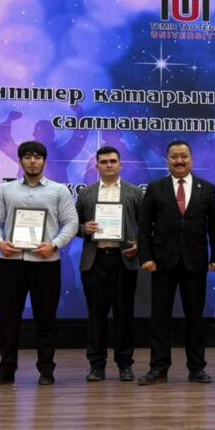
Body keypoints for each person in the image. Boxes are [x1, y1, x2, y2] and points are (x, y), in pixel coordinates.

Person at [0, 141, 78, 386]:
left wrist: (54, 245)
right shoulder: (6, 190)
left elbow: (71, 223)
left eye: (37, 157)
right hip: (11, 262)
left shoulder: (59, 191)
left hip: (46, 263)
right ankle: (6, 371)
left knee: (46, 319)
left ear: (45, 162)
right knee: (8, 320)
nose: (33, 161)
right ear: (20, 161)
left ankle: (46, 370)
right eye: (27, 157)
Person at [137, 140, 215, 385]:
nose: (179, 161)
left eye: (184, 156)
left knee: (195, 317)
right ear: (167, 160)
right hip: (162, 262)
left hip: (195, 262)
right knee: (160, 317)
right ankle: (158, 368)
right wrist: (146, 257)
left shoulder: (207, 188)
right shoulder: (155, 188)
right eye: (174, 156)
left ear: (191, 159)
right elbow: (144, 227)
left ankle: (197, 368)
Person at [75, 146, 143, 382]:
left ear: (120, 165)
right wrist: (84, 229)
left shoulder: (135, 193)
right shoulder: (86, 193)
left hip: (124, 259)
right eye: (104, 162)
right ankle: (96, 365)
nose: (109, 165)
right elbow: (73, 225)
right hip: (95, 261)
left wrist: (140, 245)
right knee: (96, 315)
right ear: (97, 166)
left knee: (124, 315)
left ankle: (125, 364)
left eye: (113, 161)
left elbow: (146, 226)